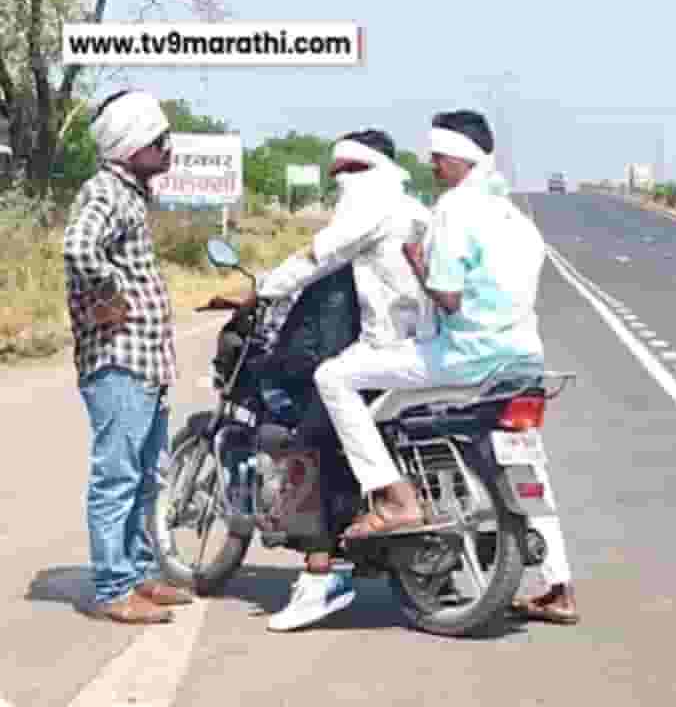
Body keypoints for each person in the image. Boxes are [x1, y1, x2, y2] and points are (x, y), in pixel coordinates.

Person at [210, 128, 433, 632]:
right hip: (425, 350)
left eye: (346, 171)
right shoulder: (414, 209)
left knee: (309, 442)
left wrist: (260, 292)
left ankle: (318, 577)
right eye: (338, 174)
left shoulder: (369, 208)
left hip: (386, 351)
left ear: (364, 170)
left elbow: (315, 258)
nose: (341, 182)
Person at [386, 109, 580, 623]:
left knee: (351, 388)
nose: (432, 166)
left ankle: (406, 525)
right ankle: (559, 587)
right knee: (528, 472)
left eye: (436, 158)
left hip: (469, 357)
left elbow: (448, 299)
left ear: (456, 158)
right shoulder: (516, 218)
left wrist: (416, 264)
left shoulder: (454, 210)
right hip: (524, 359)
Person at [63, 89, 195, 624]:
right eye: (159, 139)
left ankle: (138, 573)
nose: (169, 147)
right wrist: (110, 295)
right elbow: (77, 247)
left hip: (144, 361)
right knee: (116, 476)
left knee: (145, 476)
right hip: (118, 361)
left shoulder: (130, 193)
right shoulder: (104, 192)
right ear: (130, 144)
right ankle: (113, 587)